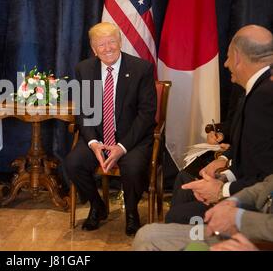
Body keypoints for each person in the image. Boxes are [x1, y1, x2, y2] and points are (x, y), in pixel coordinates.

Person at [166, 25, 273, 224]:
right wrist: (224, 164)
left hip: (259, 207)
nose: (225, 64)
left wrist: (221, 189)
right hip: (245, 184)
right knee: (185, 183)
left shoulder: (263, 98)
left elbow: (265, 176)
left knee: (177, 216)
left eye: (228, 57)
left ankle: (191, 241)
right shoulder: (260, 88)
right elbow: (253, 152)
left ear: (238, 57)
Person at [64, 22, 156, 235]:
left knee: (132, 168)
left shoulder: (141, 69)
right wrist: (94, 143)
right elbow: (84, 112)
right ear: (94, 49)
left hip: (132, 139)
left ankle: (132, 213)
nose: (107, 48)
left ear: (120, 42)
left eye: (111, 42)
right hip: (98, 136)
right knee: (73, 163)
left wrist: (122, 147)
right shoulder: (84, 69)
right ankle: (97, 205)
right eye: (101, 45)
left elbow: (146, 115)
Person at [132, 174, 273, 251]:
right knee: (146, 233)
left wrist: (237, 218)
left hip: (260, 239)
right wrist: (230, 202)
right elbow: (265, 186)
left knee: (149, 246)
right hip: (247, 225)